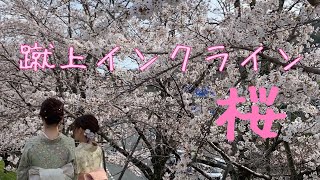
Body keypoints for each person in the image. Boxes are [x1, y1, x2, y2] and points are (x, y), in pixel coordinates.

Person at [17, 98, 75, 180]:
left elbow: (22, 175)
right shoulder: (70, 143)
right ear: (61, 119)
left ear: (41, 117)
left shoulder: (31, 144)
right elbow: (75, 174)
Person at [73, 114, 108, 180]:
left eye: (75, 128)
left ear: (80, 130)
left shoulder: (76, 152)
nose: (73, 131)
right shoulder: (98, 149)